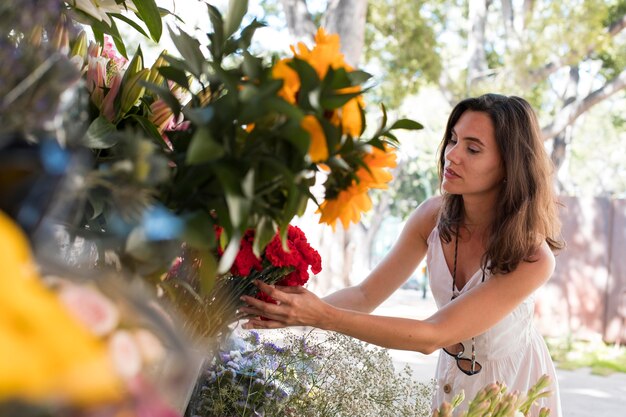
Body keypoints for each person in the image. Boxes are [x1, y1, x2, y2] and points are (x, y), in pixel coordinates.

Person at [240, 93, 564, 416]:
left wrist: (321, 316)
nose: (452, 155)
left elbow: (433, 335)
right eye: (453, 140)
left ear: (510, 164)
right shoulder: (432, 217)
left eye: (473, 148)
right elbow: (365, 294)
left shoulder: (532, 258)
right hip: (453, 384)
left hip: (513, 391)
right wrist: (279, 308)